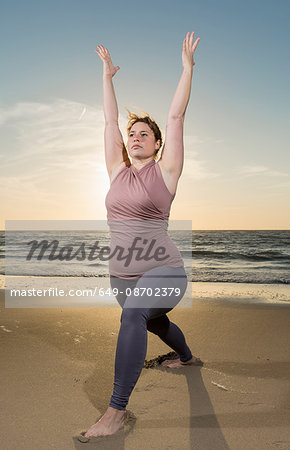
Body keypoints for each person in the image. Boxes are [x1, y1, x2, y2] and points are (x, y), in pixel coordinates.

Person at [84, 31, 201, 438]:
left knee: (134, 314)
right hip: (122, 276)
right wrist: (107, 77)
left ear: (157, 145)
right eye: (131, 133)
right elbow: (107, 121)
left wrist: (186, 69)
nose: (135, 137)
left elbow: (175, 117)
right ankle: (185, 357)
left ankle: (115, 413)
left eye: (143, 134)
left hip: (165, 271)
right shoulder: (116, 172)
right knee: (154, 322)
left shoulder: (166, 174)